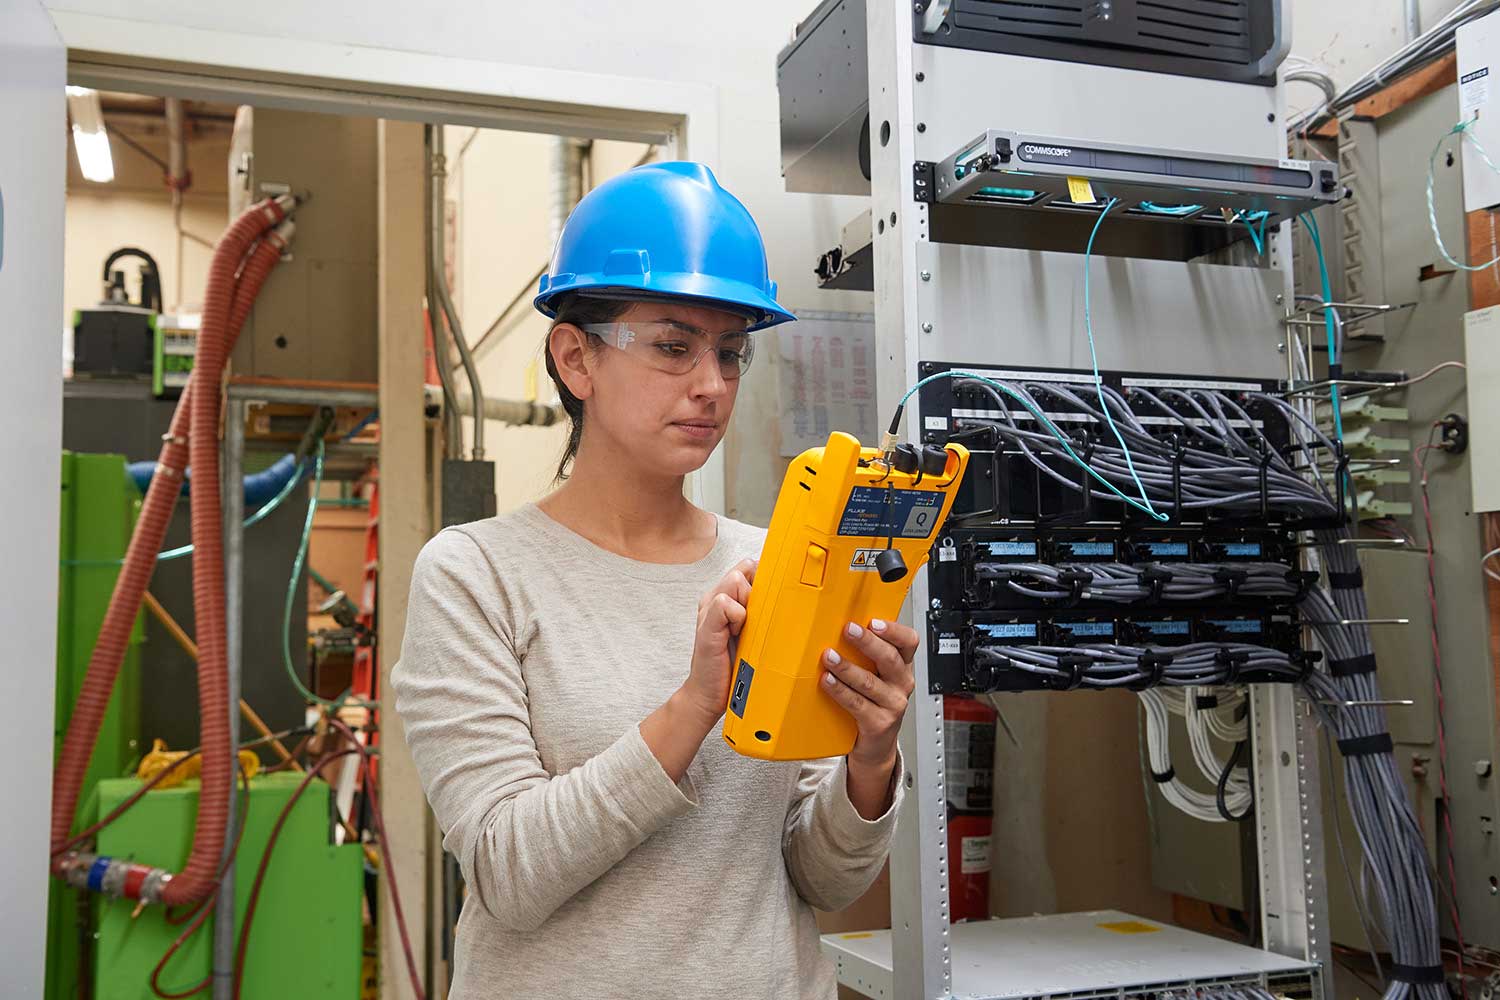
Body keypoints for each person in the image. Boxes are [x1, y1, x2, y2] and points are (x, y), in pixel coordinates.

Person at [392, 161, 917, 999]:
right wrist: (694, 704)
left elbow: (822, 882)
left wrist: (871, 758)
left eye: (730, 353)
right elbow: (510, 874)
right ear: (576, 358)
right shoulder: (477, 574)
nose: (711, 385)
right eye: (673, 347)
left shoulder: (776, 562)